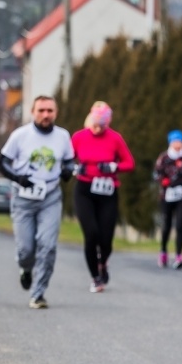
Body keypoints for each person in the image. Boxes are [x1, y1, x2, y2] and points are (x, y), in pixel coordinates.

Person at [0, 95, 75, 309]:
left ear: (55, 113)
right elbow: (1, 163)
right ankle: (25, 268)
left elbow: (69, 160)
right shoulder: (20, 135)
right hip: (23, 197)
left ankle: (38, 294)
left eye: (50, 110)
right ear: (33, 112)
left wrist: (68, 170)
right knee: (26, 249)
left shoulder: (62, 136)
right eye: (41, 110)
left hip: (50, 196)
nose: (46, 115)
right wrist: (18, 178)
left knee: (48, 246)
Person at [71, 101, 135, 293]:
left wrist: (113, 167)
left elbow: (129, 163)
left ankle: (103, 262)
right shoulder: (79, 137)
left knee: (106, 238)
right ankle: (95, 278)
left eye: (102, 125)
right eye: (95, 124)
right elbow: (65, 160)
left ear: (108, 123)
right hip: (84, 190)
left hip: (107, 191)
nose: (98, 128)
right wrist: (75, 168)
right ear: (90, 120)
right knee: (91, 234)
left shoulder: (115, 138)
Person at [154, 129, 182, 269]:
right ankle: (163, 251)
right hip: (167, 196)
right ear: (171, 143)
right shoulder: (164, 157)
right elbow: (157, 174)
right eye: (175, 141)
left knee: (179, 225)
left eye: (180, 141)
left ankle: (179, 256)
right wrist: (165, 182)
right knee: (166, 225)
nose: (178, 144)